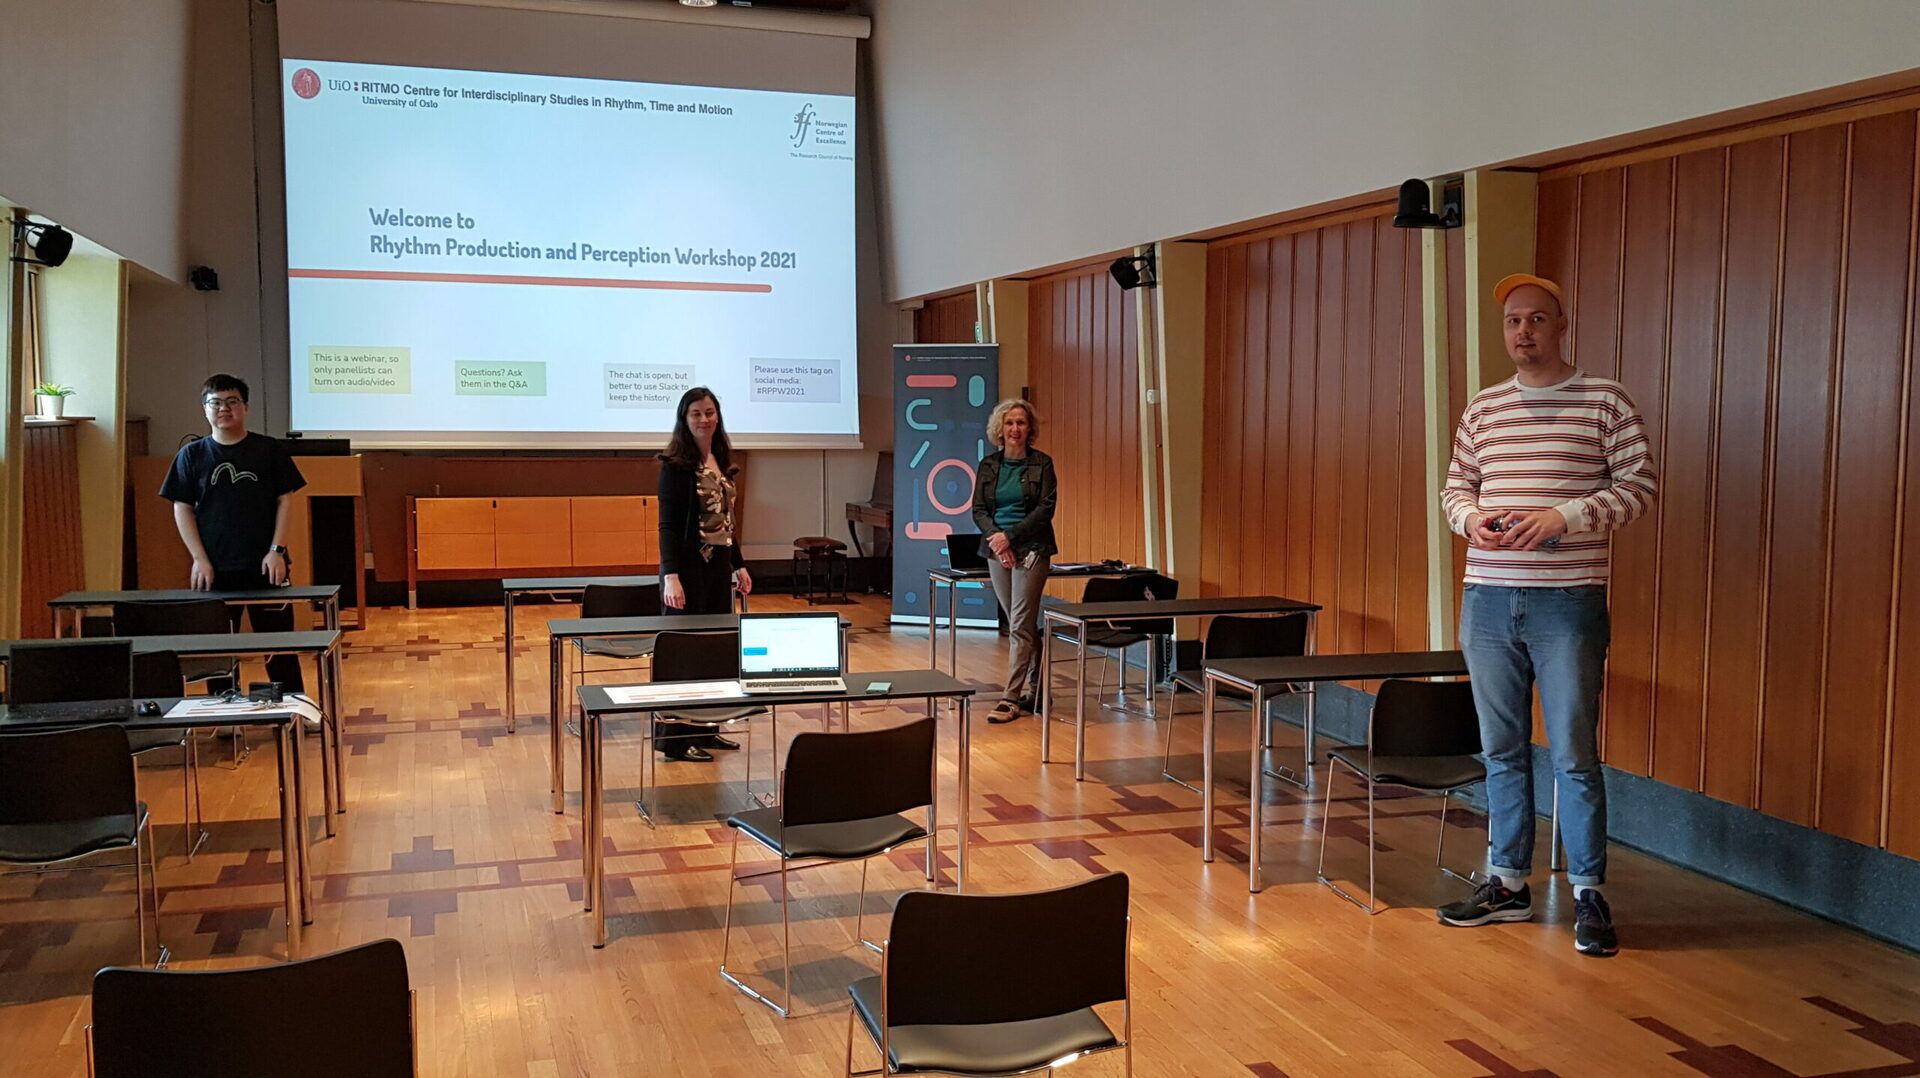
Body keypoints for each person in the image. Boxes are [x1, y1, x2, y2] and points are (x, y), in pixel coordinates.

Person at [1435, 273, 1658, 958]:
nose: (1522, 332)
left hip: (1568, 602)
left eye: (1536, 319)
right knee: (1501, 749)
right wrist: (1474, 520)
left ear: (1562, 326)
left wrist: (1564, 515)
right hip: (1489, 598)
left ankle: (1589, 892)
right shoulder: (1484, 408)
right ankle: (1507, 882)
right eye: (1511, 322)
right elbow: (1455, 488)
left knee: (1573, 753)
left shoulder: (1605, 400)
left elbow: (1639, 487)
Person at [159, 374, 307, 693]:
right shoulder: (192, 455)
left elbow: (286, 499)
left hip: (266, 565)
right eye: (215, 403)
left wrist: (277, 549)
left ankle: (292, 707)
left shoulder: (268, 450)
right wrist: (199, 559)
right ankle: (225, 713)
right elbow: (181, 507)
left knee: (279, 645)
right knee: (219, 648)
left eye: (232, 401)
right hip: (214, 568)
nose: (223, 408)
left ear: (245, 407)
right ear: (205, 410)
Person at [655, 386, 753, 762]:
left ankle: (707, 728)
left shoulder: (720, 457)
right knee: (684, 655)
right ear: (684, 419)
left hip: (717, 569)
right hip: (688, 570)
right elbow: (666, 526)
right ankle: (676, 740)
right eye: (696, 413)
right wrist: (670, 575)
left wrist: (739, 563)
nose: (704, 419)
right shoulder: (675, 465)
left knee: (713, 651)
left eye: (709, 412)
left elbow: (725, 521)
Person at [970, 398, 1057, 724]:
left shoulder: (1043, 465)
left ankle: (1011, 699)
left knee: (1020, 624)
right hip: (996, 549)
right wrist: (998, 539)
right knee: (1019, 623)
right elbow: (978, 509)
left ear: (1029, 428)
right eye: (1009, 423)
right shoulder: (989, 465)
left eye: (1021, 423)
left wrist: (1011, 538)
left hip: (1033, 549)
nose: (1015, 429)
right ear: (1000, 429)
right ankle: (1038, 689)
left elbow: (1045, 510)